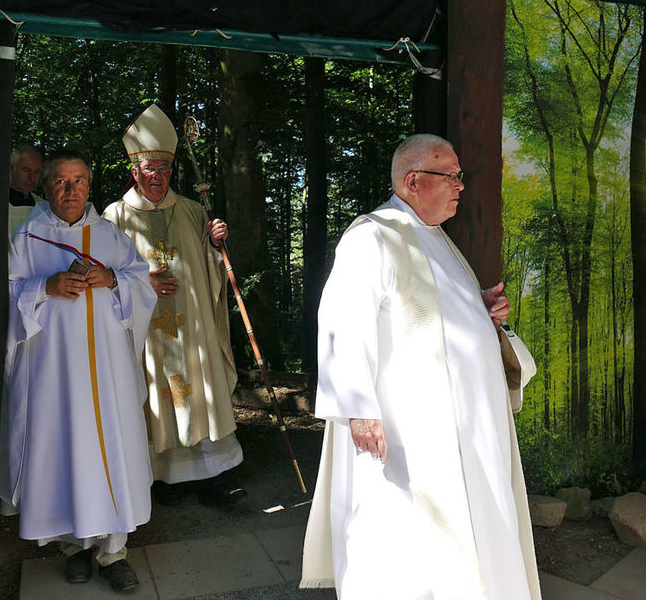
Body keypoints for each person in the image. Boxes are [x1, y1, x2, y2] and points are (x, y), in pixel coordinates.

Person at [301, 134, 541, 599]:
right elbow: (343, 321)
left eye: (459, 176)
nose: (460, 186)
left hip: (466, 429)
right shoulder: (375, 234)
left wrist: (479, 308)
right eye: (450, 176)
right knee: (406, 535)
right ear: (413, 181)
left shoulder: (436, 239)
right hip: (407, 429)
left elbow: (433, 311)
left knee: (470, 528)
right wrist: (359, 408)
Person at [0, 150, 157, 592]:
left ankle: (115, 551)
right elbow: (2, 297)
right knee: (65, 448)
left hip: (107, 372)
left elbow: (141, 283)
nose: (70, 191)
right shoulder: (27, 238)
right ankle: (74, 547)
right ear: (46, 186)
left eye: (79, 181)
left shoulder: (110, 236)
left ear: (90, 185)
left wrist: (114, 280)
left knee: (112, 448)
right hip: (52, 372)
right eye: (61, 182)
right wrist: (44, 287)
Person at [103, 104, 246, 508]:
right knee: (154, 391)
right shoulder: (113, 217)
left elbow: (211, 269)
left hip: (193, 329)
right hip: (147, 329)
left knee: (199, 390)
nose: (158, 178)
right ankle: (162, 475)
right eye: (150, 170)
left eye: (164, 170)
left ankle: (213, 476)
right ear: (134, 171)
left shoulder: (192, 210)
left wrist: (215, 243)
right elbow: (104, 275)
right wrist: (140, 281)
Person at [8, 145, 44, 237]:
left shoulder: (43, 208)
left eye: (36, 172)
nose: (31, 178)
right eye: (26, 170)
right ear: (11, 169)